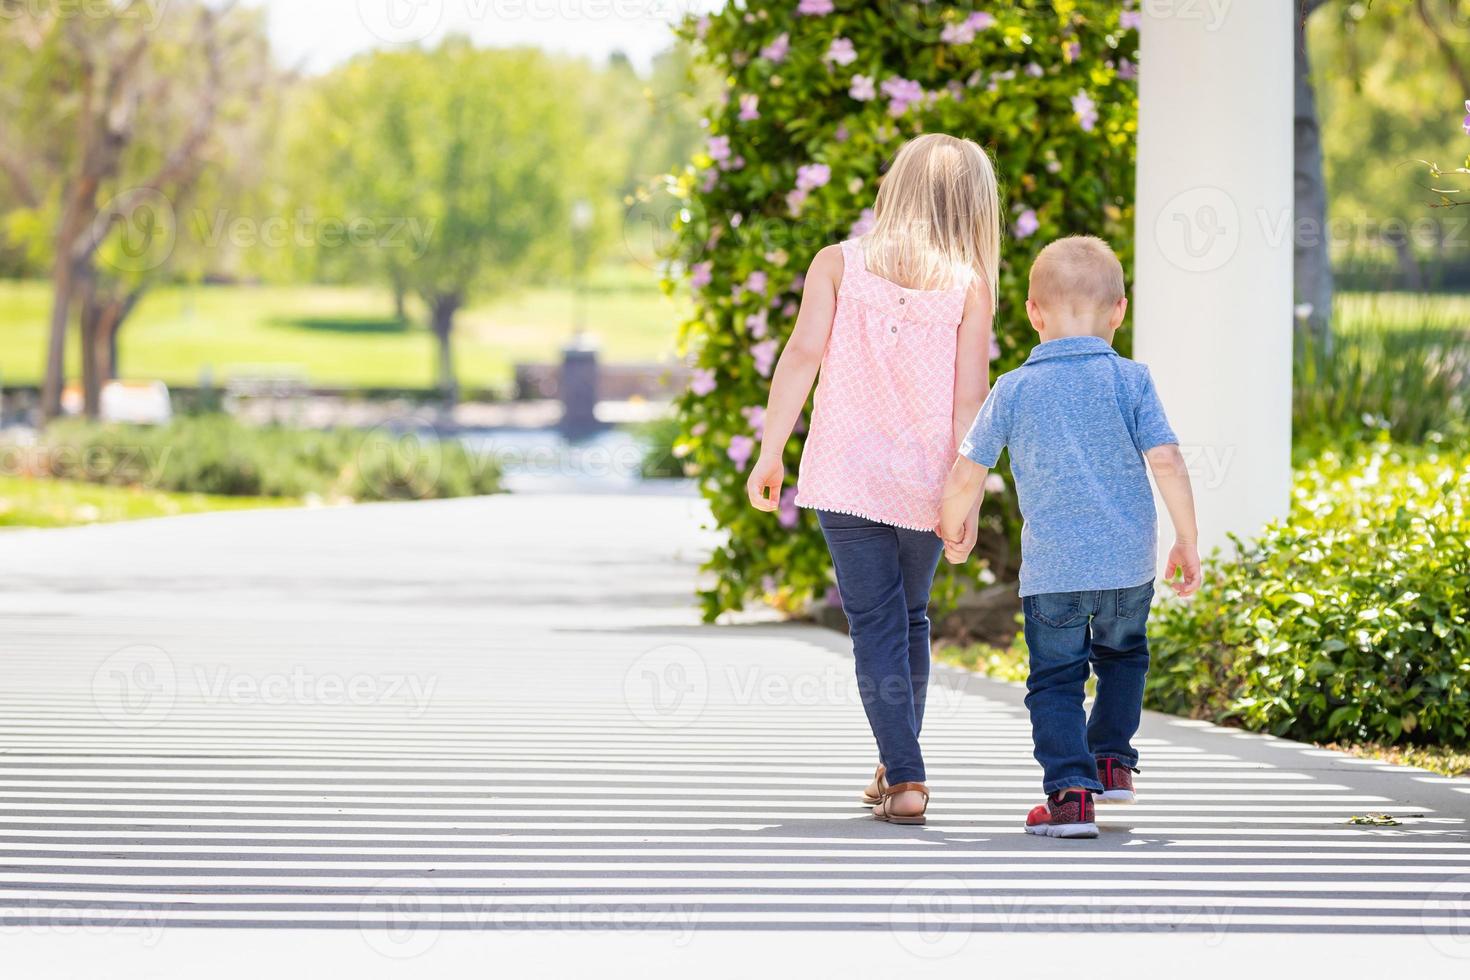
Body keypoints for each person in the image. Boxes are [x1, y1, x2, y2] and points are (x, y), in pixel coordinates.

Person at [746, 133, 1001, 826]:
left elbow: (801, 356)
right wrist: (966, 492)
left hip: (845, 474)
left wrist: (771, 452)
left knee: (876, 623)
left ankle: (907, 775)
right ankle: (899, 764)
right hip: (926, 480)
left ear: (897, 188)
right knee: (909, 618)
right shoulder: (968, 286)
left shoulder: (838, 263)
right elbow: (969, 402)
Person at [939, 235, 1203, 839]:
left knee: (1056, 680)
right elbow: (1167, 460)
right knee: (1123, 657)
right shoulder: (1132, 380)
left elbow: (967, 469)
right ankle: (1111, 760)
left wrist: (954, 523)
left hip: (1054, 573)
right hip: (1127, 568)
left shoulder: (1013, 388)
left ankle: (1070, 794)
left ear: (1033, 313)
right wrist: (1186, 539)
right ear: (1119, 310)